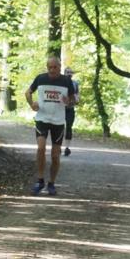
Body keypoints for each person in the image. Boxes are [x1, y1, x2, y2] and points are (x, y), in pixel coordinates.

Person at [24, 55, 76, 195]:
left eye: (55, 67)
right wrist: (31, 103)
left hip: (58, 121)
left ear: (60, 67)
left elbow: (74, 100)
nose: (52, 70)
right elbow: (28, 92)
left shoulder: (66, 81)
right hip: (42, 118)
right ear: (47, 67)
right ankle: (40, 180)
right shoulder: (40, 78)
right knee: (41, 149)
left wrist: (68, 102)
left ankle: (51, 183)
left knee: (55, 155)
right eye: (50, 67)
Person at [63, 67, 80, 157]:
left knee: (69, 127)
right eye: (67, 72)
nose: (69, 74)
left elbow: (77, 95)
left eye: (71, 72)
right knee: (58, 127)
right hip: (61, 109)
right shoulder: (60, 82)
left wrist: (76, 100)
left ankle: (67, 148)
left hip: (70, 108)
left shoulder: (75, 83)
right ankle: (57, 146)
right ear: (64, 73)